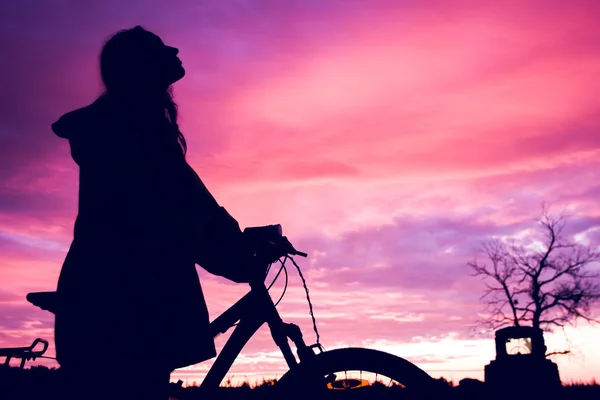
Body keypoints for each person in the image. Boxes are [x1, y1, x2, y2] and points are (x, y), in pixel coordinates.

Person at [51, 26, 262, 399]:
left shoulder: (123, 124)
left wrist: (232, 250)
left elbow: (184, 206)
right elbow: (185, 207)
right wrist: (240, 254)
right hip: (130, 305)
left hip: (110, 297)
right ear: (142, 69)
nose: (175, 49)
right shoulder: (137, 130)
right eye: (159, 48)